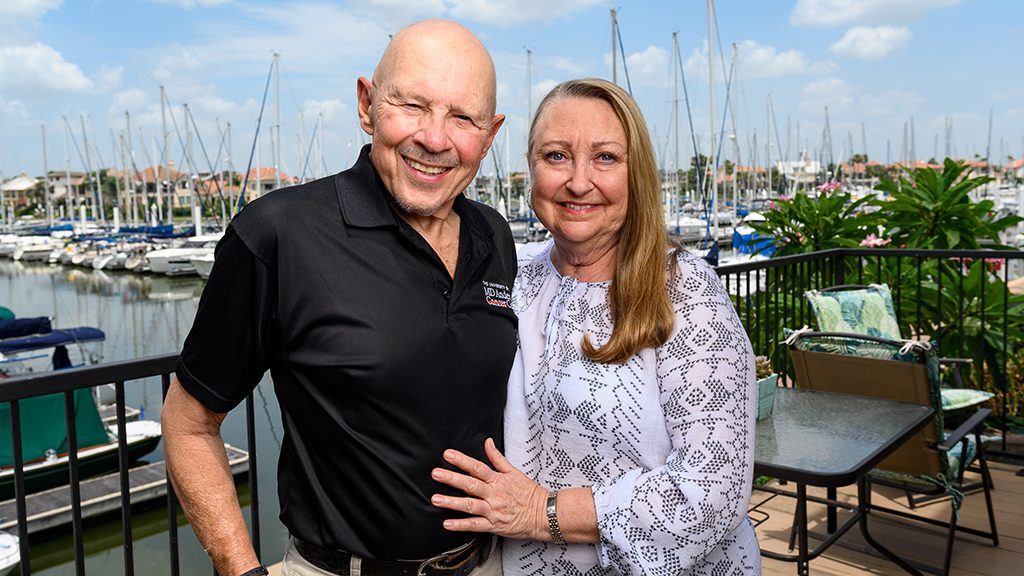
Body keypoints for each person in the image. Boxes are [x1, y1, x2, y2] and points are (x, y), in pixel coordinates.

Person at [161, 19, 515, 576]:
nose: (435, 138)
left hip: (490, 564)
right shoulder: (280, 234)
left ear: (490, 136)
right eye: (412, 105)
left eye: (462, 118)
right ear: (366, 104)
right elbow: (188, 423)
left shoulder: (493, 235)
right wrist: (239, 568)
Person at [429, 78, 760, 575]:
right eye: (556, 156)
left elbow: (715, 487)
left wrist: (541, 513)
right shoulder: (513, 276)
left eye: (605, 158)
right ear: (531, 168)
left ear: (637, 174)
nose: (578, 181)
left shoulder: (685, 290)